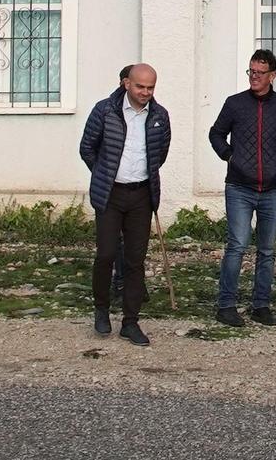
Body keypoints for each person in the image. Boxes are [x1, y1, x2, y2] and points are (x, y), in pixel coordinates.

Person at [79, 63, 170, 346]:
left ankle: (131, 322)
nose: (145, 92)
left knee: (135, 260)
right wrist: (105, 173)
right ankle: (102, 309)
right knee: (106, 254)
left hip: (141, 194)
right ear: (126, 84)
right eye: (140, 86)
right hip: (110, 193)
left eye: (151, 87)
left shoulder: (159, 116)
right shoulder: (104, 110)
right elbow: (87, 148)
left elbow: (160, 153)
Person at [208, 50, 276, 328]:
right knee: (236, 246)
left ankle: (261, 305)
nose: (254, 78)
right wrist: (229, 156)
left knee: (267, 250)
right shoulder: (235, 104)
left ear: (272, 75)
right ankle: (226, 305)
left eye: (260, 73)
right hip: (239, 187)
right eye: (251, 72)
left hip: (272, 189)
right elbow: (215, 133)